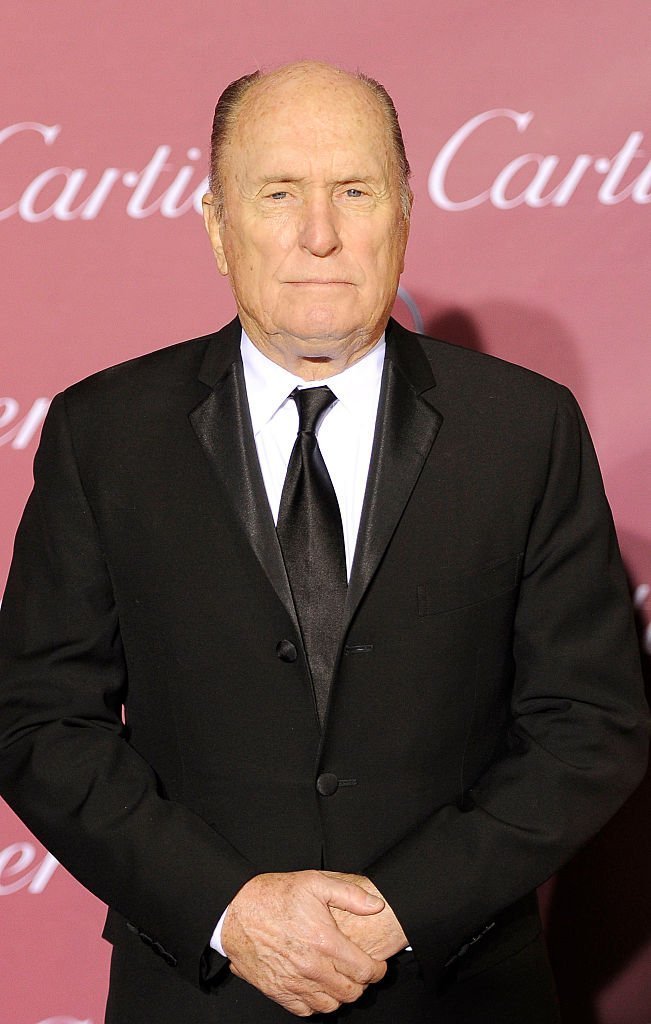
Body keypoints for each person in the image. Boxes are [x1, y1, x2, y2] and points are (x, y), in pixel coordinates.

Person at [0, 60, 647, 1023]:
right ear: (218, 226)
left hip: (456, 990)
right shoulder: (104, 432)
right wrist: (228, 908)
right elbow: (40, 720)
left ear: (404, 213)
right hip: (197, 989)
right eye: (278, 194)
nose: (319, 234)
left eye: (353, 190)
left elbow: (589, 722)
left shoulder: (523, 428)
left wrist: (402, 910)